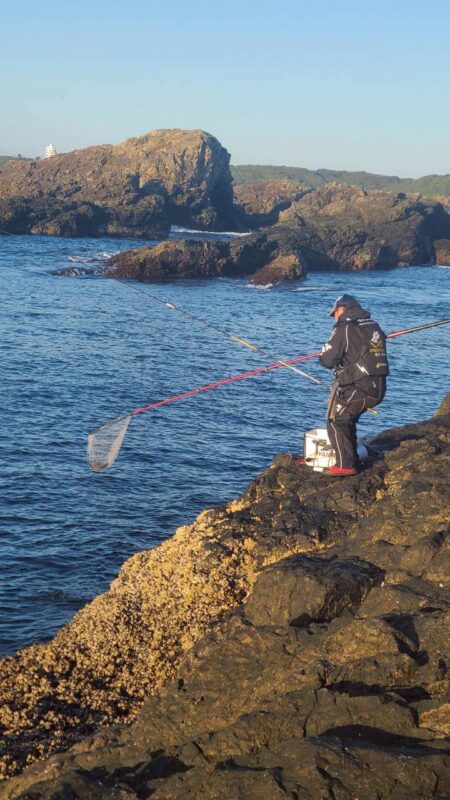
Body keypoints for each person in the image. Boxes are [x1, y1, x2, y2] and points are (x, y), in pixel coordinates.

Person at [319, 294, 389, 476]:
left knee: (336, 420)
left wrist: (325, 352)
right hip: (378, 387)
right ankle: (352, 461)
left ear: (342, 309)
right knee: (346, 418)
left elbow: (327, 360)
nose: (334, 317)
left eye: (335, 313)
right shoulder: (373, 326)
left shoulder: (345, 329)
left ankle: (345, 466)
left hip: (362, 387)